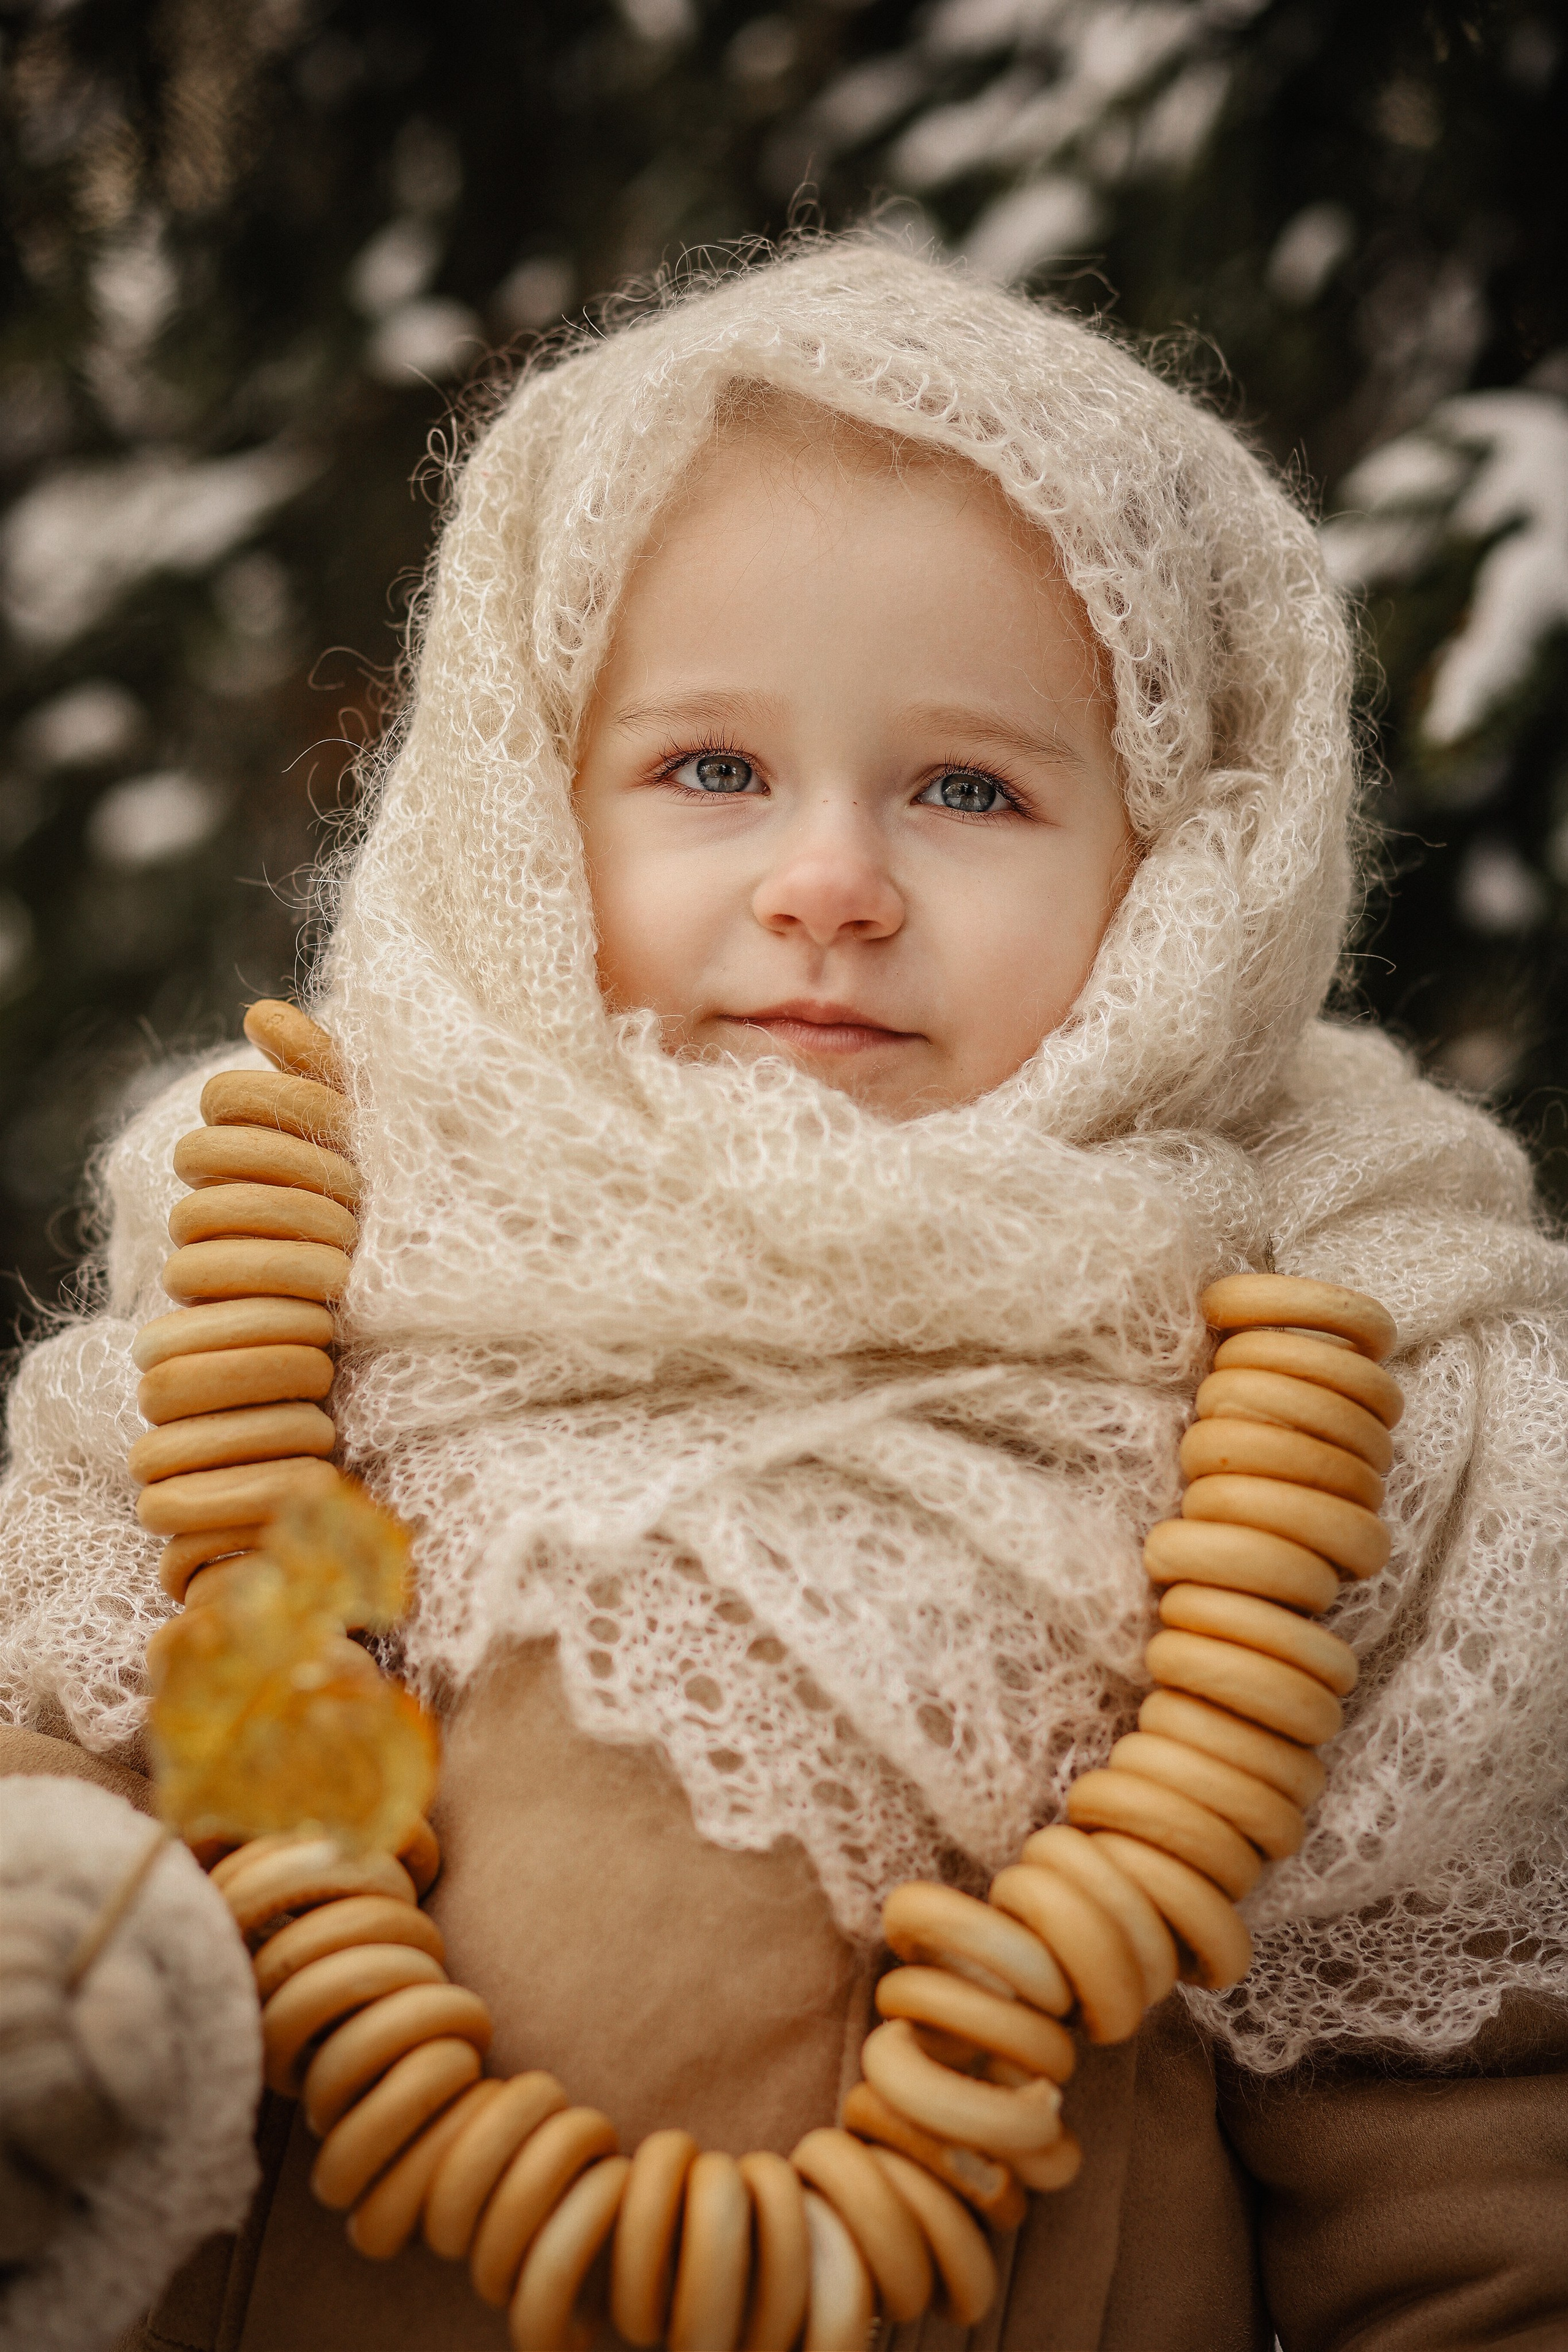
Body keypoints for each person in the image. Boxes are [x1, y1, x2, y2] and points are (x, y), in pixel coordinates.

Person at [3, 235, 1567, 2351]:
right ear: (530, 808)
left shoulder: (1347, 1374)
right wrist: (69, 1930)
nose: (828, 881)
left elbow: (1459, 2152)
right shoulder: (327, 1271)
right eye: (714, 771)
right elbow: (128, 1723)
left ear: (1180, 880)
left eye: (971, 788)